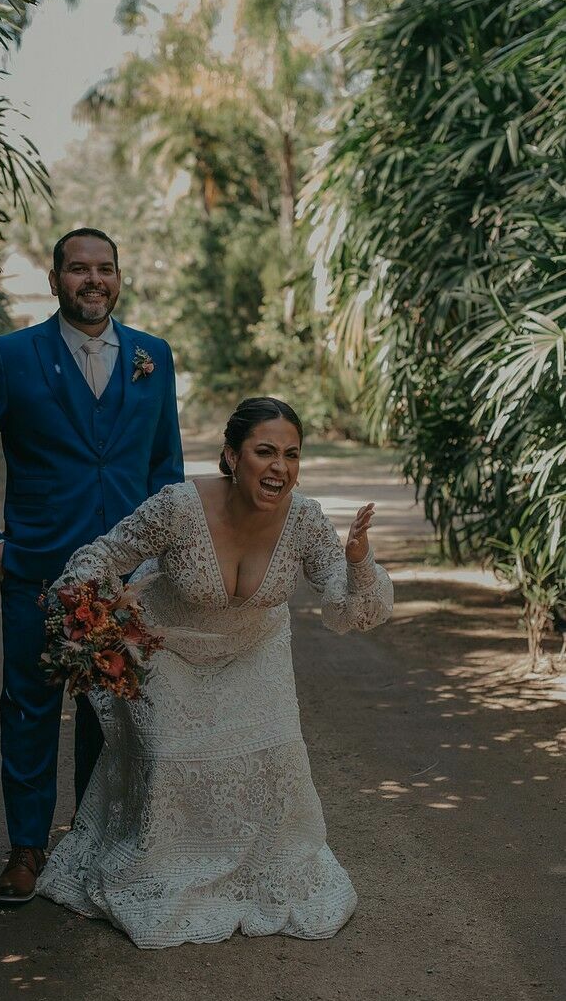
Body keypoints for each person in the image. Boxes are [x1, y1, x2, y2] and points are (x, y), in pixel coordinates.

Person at [36, 397, 393, 948]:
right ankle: (161, 875)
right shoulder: (178, 507)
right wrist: (96, 625)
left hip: (256, 653)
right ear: (232, 456)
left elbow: (352, 611)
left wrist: (356, 559)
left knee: (276, 756)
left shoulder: (305, 521)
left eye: (292, 455)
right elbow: (100, 557)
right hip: (168, 651)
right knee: (169, 759)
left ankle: (254, 875)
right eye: (265, 451)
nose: (280, 467)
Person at [0, 228, 184, 904]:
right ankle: (26, 850)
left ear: (118, 278)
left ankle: (88, 848)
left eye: (104, 268)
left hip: (123, 576)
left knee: (108, 712)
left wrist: (157, 560)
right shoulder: (12, 356)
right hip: (36, 571)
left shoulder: (151, 357)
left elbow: (163, 465)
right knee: (29, 707)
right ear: (55, 280)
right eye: (78, 269)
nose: (92, 279)